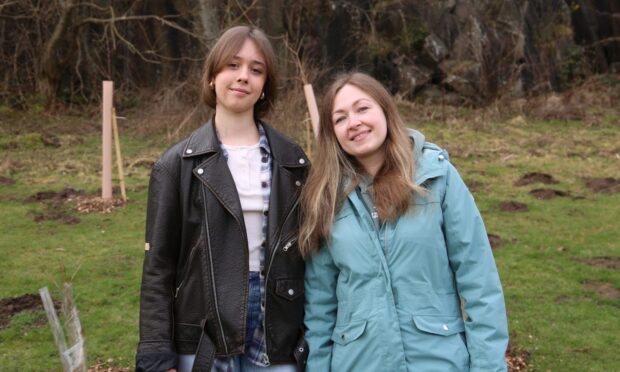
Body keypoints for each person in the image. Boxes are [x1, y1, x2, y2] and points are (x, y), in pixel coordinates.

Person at [299, 72, 509, 371]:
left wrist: (488, 366)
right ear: (332, 133)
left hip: (438, 361)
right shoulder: (326, 198)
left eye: (362, 108)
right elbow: (319, 307)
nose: (354, 122)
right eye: (340, 118)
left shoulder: (436, 177)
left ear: (385, 110)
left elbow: (479, 281)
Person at [136, 25, 310, 372]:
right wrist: (156, 351)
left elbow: (312, 257)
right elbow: (158, 268)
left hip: (277, 330)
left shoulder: (293, 161)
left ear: (264, 87)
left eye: (256, 69)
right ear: (213, 76)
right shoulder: (176, 165)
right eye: (232, 65)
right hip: (202, 329)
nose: (243, 76)